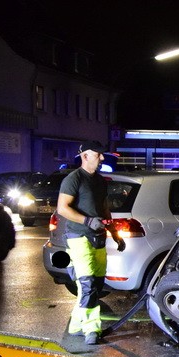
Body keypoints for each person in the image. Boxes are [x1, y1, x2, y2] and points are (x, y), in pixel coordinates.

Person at [56, 140, 125, 345]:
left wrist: (114, 233)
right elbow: (62, 208)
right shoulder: (73, 179)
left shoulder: (100, 181)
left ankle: (77, 325)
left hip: (98, 237)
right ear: (85, 156)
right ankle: (91, 329)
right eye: (99, 154)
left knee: (95, 283)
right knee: (88, 285)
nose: (102, 158)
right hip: (78, 237)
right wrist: (87, 221)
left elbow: (104, 209)